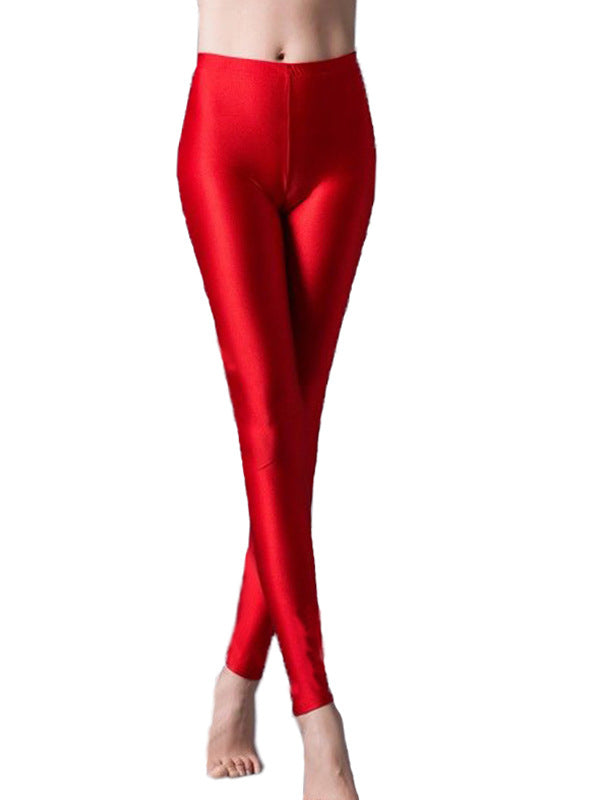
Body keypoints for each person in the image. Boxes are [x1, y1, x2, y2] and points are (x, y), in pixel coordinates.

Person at [176, 1, 376, 797]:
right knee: (267, 422)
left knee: (297, 431)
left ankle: (236, 675)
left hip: (338, 127)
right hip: (229, 127)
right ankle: (317, 715)